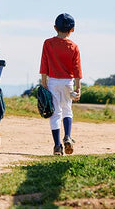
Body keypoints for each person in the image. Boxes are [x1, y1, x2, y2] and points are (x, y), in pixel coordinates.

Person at [39, 13, 82, 156]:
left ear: (55, 27)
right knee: (67, 110)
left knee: (55, 114)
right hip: (68, 82)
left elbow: (44, 63)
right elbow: (77, 68)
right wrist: (78, 87)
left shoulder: (48, 43)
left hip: (53, 82)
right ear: (73, 29)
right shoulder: (74, 47)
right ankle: (68, 136)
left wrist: (44, 82)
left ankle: (57, 146)